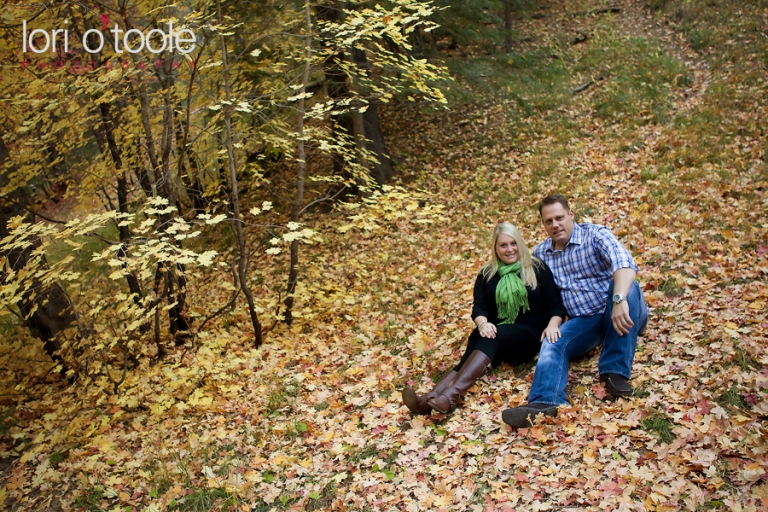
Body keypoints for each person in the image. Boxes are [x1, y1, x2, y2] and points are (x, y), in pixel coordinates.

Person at [501, 194, 649, 428]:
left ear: (571, 215)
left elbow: (625, 264)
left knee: (625, 287)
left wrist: (619, 300)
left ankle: (614, 372)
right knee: (553, 340)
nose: (555, 225)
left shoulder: (595, 235)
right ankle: (546, 401)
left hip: (624, 309)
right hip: (587, 320)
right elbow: (527, 287)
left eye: (559, 217)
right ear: (544, 224)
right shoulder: (542, 254)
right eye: (549, 221)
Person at [402, 222, 566, 415]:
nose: (509, 249)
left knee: (491, 336)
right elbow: (479, 307)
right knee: (478, 338)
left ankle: (450, 396)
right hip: (497, 335)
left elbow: (556, 305)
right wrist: (483, 323)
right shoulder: (487, 274)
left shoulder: (536, 268)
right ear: (495, 249)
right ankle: (428, 401)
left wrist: (553, 325)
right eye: (503, 245)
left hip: (529, 336)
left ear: (520, 243)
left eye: (513, 243)